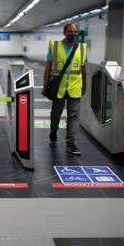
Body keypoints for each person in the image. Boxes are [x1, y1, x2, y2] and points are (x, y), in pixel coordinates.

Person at [42, 22, 87, 155]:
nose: (73, 34)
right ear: (64, 32)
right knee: (56, 114)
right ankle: (53, 130)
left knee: (73, 116)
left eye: (75, 32)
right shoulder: (55, 46)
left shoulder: (82, 48)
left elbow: (83, 70)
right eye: (70, 32)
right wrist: (45, 86)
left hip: (75, 87)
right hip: (58, 88)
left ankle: (70, 143)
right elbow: (48, 68)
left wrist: (84, 86)